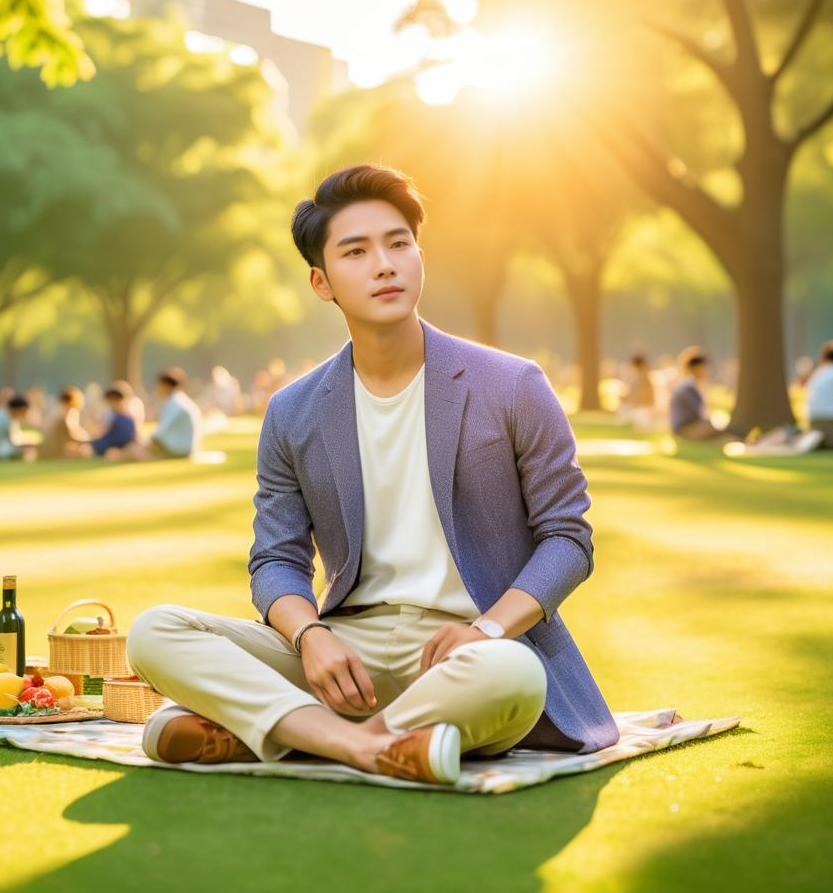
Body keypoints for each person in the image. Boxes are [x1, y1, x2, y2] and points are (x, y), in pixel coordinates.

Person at [127, 163, 619, 788]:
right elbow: (275, 560)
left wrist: (487, 629)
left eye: (398, 243)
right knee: (156, 632)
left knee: (517, 678)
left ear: (419, 256)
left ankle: (291, 734)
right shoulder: (293, 410)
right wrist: (308, 636)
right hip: (343, 647)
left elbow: (568, 541)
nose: (384, 264)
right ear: (321, 281)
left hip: (466, 650)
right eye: (355, 252)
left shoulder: (512, 385)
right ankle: (369, 745)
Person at [669, 347, 726, 439]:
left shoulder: (692, 385)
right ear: (696, 368)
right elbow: (700, 413)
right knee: (720, 430)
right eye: (703, 367)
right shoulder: (688, 387)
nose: (706, 371)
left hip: (689, 426)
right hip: (684, 429)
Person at [39, 386, 91, 459]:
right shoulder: (65, 414)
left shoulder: (55, 411)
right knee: (86, 450)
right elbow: (71, 435)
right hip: (55, 453)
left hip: (46, 450)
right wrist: (89, 441)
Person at [0, 394, 33, 461]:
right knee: (24, 452)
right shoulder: (5, 418)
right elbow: (13, 441)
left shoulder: (3, 414)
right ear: (20, 409)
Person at [89, 388, 137, 458]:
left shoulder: (112, 415)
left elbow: (102, 431)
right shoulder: (128, 416)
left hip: (111, 444)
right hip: (120, 445)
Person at [617, 354, 656, 430]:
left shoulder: (639, 378)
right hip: (638, 410)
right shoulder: (640, 377)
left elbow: (629, 395)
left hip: (639, 410)